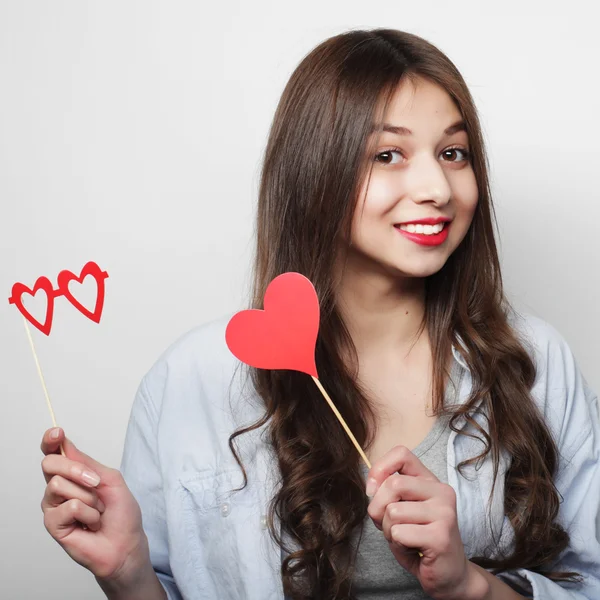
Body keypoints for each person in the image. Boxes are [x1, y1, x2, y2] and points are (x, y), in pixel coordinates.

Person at [39, 28, 600, 600]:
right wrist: (127, 571)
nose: (437, 187)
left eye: (452, 153)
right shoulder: (190, 378)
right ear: (315, 172)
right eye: (388, 155)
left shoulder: (538, 362)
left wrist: (468, 585)